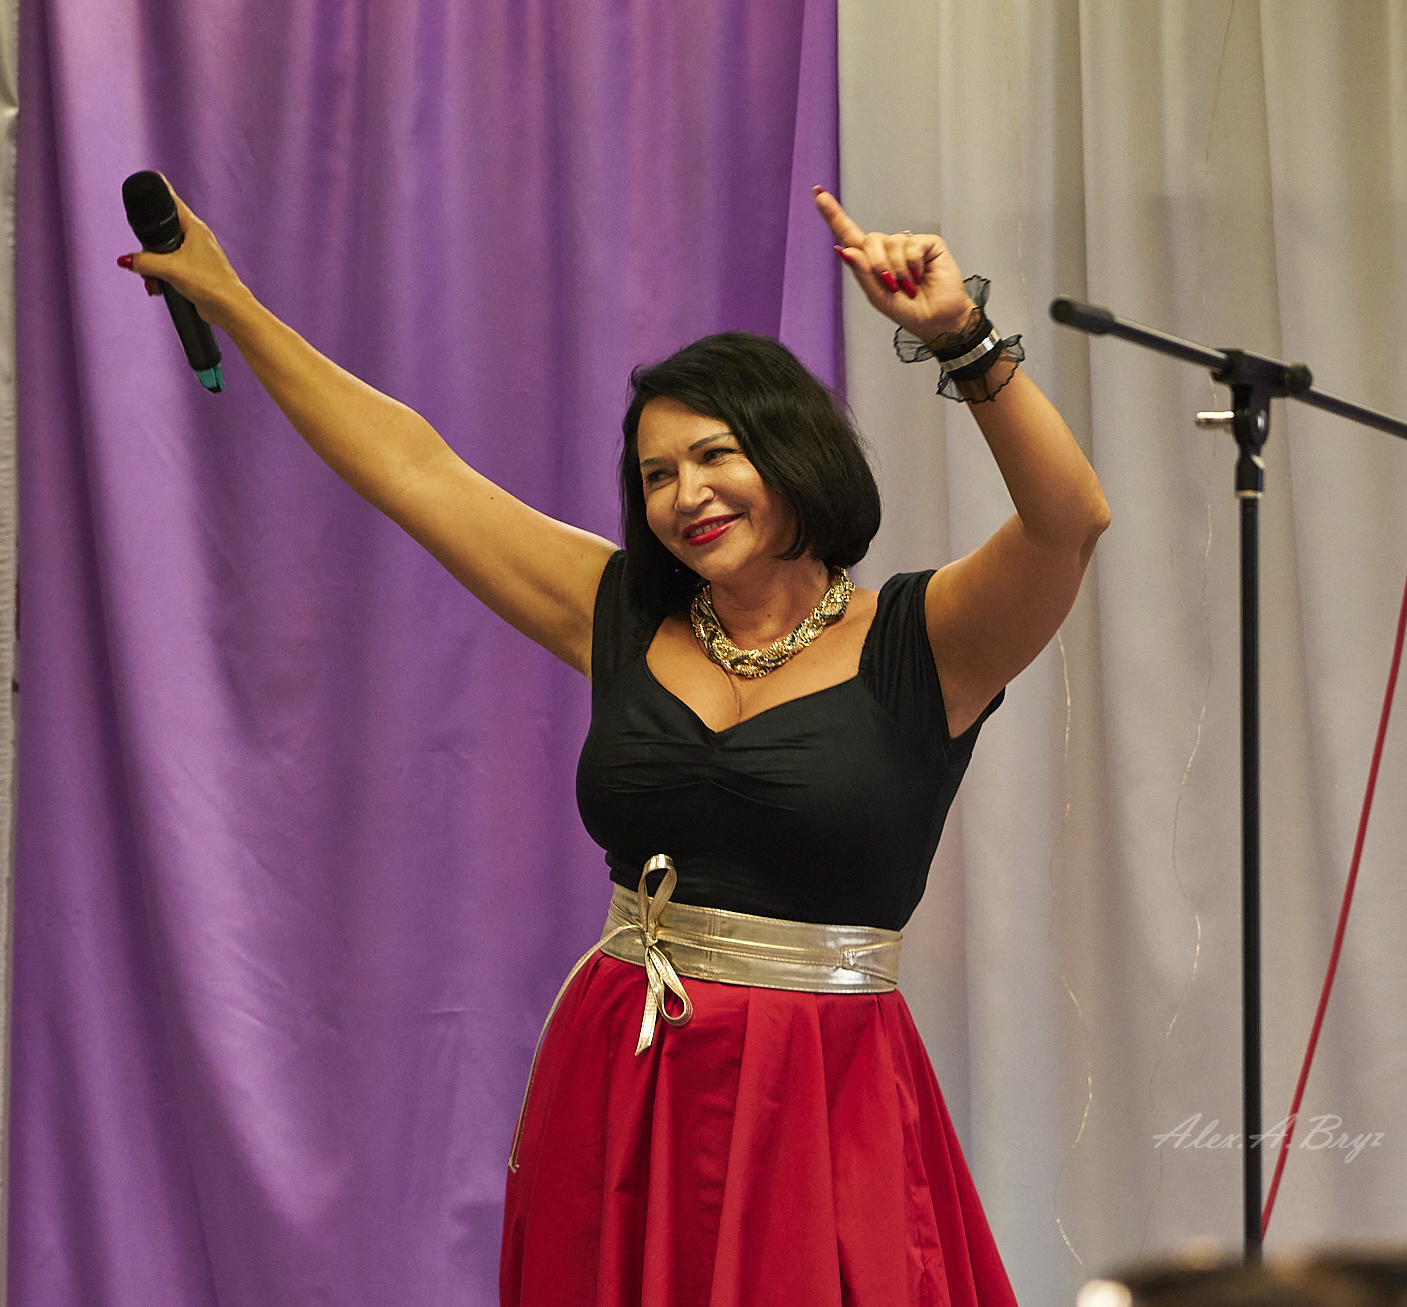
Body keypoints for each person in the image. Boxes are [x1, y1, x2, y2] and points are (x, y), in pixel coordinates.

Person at [121, 179, 1109, 1306]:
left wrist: (962, 339)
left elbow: (1068, 520)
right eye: (656, 475)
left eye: (715, 455)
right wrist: (233, 304)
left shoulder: (925, 642)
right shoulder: (622, 614)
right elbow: (414, 470)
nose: (686, 495)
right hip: (624, 1078)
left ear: (795, 453)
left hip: (817, 1098)